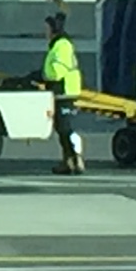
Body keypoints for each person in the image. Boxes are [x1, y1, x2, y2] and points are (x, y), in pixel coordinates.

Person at [39, 10, 86, 174]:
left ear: (54, 29)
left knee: (66, 128)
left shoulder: (62, 45)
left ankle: (76, 158)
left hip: (65, 91)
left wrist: (43, 77)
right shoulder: (57, 45)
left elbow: (57, 72)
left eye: (47, 29)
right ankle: (68, 161)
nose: (45, 33)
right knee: (61, 129)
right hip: (60, 92)